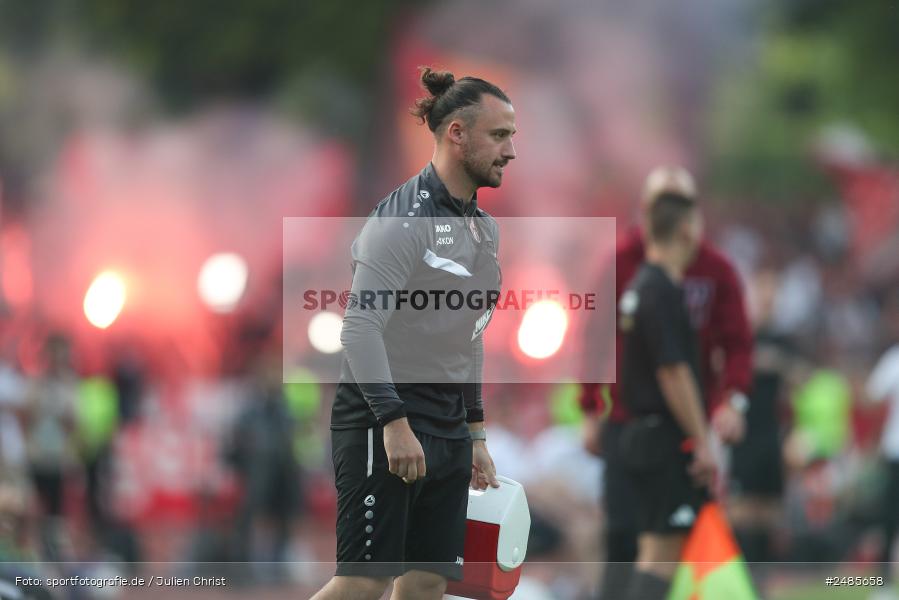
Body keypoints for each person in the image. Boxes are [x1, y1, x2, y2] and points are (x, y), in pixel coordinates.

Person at [311, 66, 516, 600]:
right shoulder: (401, 221)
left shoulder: (484, 230)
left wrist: (475, 434)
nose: (510, 151)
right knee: (363, 582)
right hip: (385, 421)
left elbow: (470, 335)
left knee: (427, 583)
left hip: (447, 427)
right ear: (457, 134)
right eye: (499, 135)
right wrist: (395, 423)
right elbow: (359, 328)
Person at [579, 167, 753, 599]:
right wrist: (590, 408)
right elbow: (667, 368)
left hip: (662, 425)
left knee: (665, 547)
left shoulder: (709, 271)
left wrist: (733, 401)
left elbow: (737, 343)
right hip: (657, 427)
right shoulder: (643, 275)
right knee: (642, 546)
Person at [617, 190, 716, 600]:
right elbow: (673, 371)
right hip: (661, 439)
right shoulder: (661, 288)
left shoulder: (640, 285)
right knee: (663, 557)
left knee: (651, 551)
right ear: (687, 229)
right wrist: (703, 441)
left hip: (642, 435)